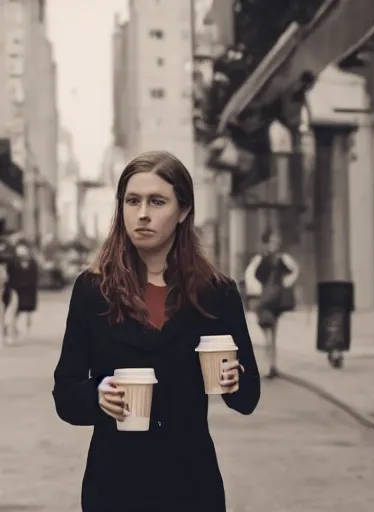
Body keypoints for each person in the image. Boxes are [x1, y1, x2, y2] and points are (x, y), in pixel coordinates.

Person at [52, 150, 261, 512]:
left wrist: (233, 379)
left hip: (191, 485)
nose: (143, 213)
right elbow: (66, 393)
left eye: (157, 201)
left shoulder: (217, 292)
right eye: (132, 201)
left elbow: (248, 398)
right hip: (114, 486)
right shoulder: (92, 290)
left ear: (183, 211)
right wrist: (97, 396)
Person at [244, 228, 299, 379]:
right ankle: (271, 365)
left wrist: (286, 283)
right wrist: (259, 290)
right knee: (269, 332)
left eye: (277, 241)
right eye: (273, 241)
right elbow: (250, 276)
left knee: (271, 332)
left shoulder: (281, 259)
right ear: (267, 243)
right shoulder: (262, 259)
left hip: (273, 301)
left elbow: (294, 271)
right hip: (266, 301)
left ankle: (271, 365)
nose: (276, 244)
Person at [4, 239, 38, 343]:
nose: (22, 250)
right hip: (13, 290)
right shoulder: (13, 261)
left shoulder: (32, 262)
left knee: (18, 312)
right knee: (11, 310)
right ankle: (9, 333)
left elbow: (34, 277)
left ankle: (13, 331)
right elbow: (7, 275)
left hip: (25, 292)